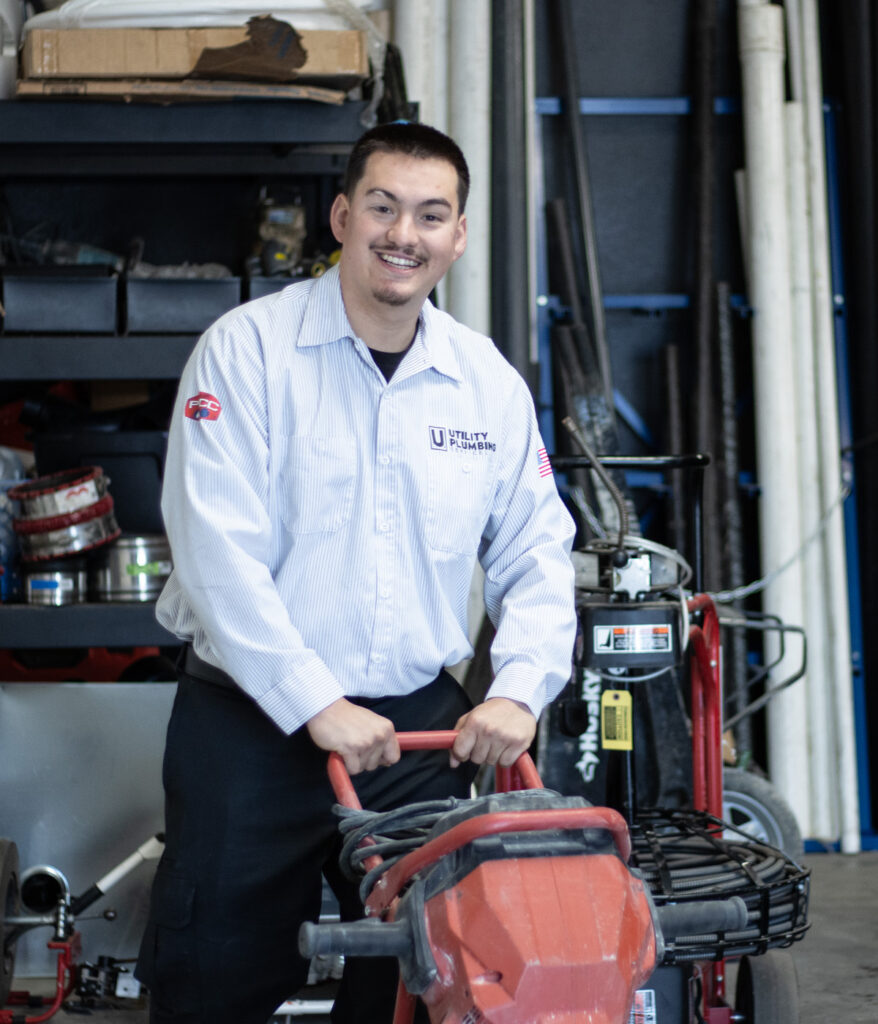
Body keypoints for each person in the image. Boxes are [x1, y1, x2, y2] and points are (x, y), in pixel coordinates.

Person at [135, 121, 577, 1024]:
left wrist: (519, 692)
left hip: (416, 738)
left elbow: (536, 550)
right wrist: (313, 703)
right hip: (252, 727)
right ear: (342, 215)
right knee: (216, 977)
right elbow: (215, 553)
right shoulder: (246, 351)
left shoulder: (484, 382)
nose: (401, 234)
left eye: (429, 214)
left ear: (457, 236)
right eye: (381, 206)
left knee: (426, 983)